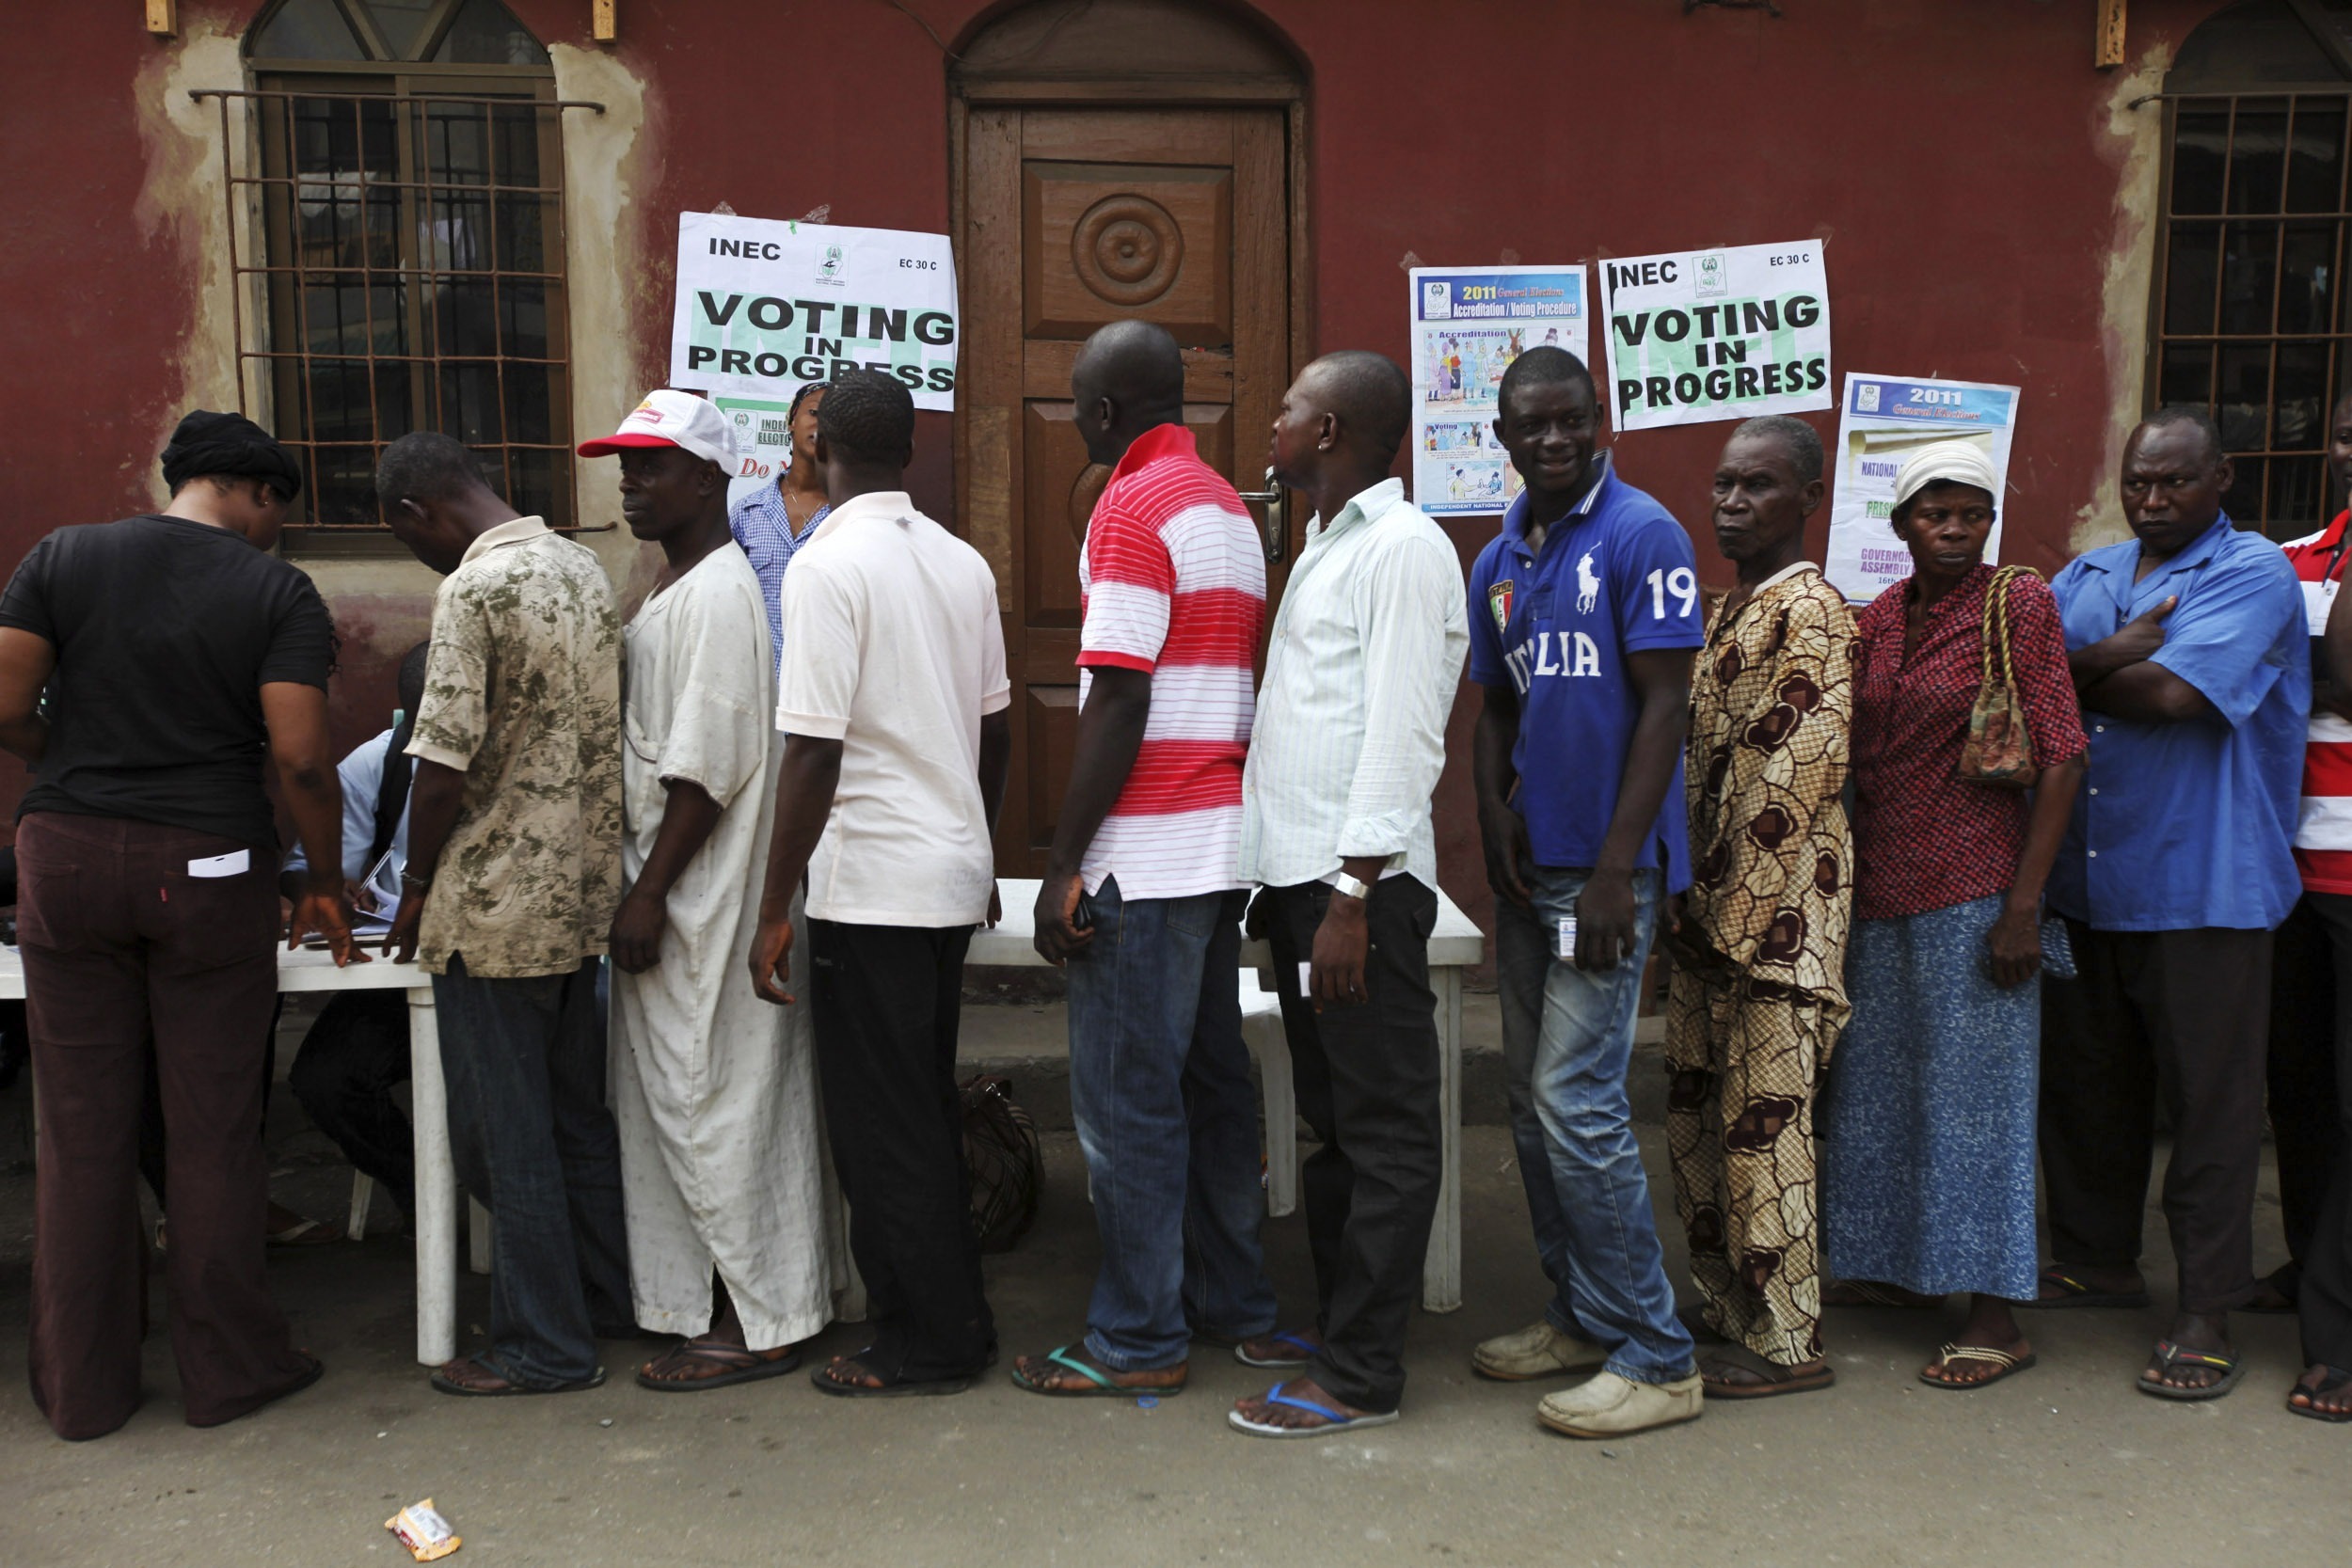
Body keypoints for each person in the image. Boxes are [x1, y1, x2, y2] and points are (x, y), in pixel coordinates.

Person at [0, 409, 356, 1440]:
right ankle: (231, 1370)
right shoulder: (273, 589)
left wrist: (73, 756)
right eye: (276, 510)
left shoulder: (60, 555)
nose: (273, 528)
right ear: (254, 493)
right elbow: (298, 756)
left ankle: (83, 1388)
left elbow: (5, 702)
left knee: (80, 1131)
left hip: (59, 857)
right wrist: (321, 878)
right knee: (211, 1130)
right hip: (206, 868)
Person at [1011, 323, 1275, 1399]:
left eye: (1079, 401)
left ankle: (1136, 1338)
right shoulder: (1225, 508)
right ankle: (1233, 1301)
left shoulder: (1127, 507)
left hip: (1145, 855)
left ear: (1110, 410)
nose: (1074, 418)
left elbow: (1117, 691)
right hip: (1217, 848)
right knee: (1212, 1086)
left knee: (1127, 1108)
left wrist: (1064, 859)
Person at [747, 368, 1010, 1398]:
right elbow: (992, 728)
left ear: (822, 448)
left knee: (882, 1123)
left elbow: (810, 751)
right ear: (906, 448)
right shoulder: (960, 561)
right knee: (918, 1106)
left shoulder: (825, 564)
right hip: (944, 873)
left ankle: (929, 1341)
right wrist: (980, 845)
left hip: (871, 888)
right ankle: (951, 1320)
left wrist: (773, 905)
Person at [2034, 408, 2306, 1400]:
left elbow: (2175, 699)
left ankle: (2203, 1308)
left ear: (2220, 478)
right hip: (2087, 878)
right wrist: (2112, 655)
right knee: (2086, 1084)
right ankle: (2097, 1257)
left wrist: (2076, 670)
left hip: (2204, 884)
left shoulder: (2252, 573)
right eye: (2138, 481)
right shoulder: (2090, 574)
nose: (2151, 500)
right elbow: (2024, 684)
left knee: (2209, 1108)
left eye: (2174, 483)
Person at [1225, 351, 1468, 1439]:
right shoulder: (1329, 542)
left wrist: (1352, 891)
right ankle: (1336, 1329)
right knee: (1334, 1124)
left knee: (1385, 1130)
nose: (1271, 425)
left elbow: (1406, 726)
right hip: (1302, 885)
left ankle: (1363, 1374)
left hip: (1353, 893)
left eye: (1287, 409)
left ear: (1328, 431)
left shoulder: (1407, 550)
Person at [1466, 346, 1706, 1439]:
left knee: (1581, 1098)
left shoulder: (1642, 534)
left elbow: (1665, 709)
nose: (1553, 441)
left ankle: (1657, 1354)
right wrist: (1491, 814)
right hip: (1533, 866)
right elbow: (1495, 710)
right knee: (1528, 1099)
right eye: (1532, 427)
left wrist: (1618, 868)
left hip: (1605, 875)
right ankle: (1583, 1313)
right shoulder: (1502, 552)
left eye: (1571, 422)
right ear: (1505, 437)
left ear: (1598, 421)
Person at [578, 391, 834, 1391]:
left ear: (712, 480)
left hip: (705, 895)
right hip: (682, 888)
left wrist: (647, 894)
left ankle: (759, 1316)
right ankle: (712, 1300)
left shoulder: (723, 592)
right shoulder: (676, 588)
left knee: (714, 1099)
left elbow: (707, 767)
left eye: (654, 467)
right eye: (626, 466)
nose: (633, 484)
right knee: (688, 1099)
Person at [1820, 441, 2087, 1390]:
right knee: (1882, 1090)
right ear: (1899, 525)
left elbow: (2060, 752)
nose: (1954, 525)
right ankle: (1900, 1272)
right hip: (1881, 886)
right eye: (1934, 510)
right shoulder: (1881, 616)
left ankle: (1994, 1313)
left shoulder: (2015, 603)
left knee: (1978, 1108)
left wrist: (2023, 906)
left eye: (1970, 510)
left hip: (1977, 889)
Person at [375, 431, 631, 1398]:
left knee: (505, 1130)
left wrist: (412, 885)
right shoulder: (581, 568)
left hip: (489, 907)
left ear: (415, 512)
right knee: (575, 1118)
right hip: (576, 897)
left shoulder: (471, 591)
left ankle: (542, 1344)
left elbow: (439, 763)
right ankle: (605, 1298)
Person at [1660, 416, 1856, 1398]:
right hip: (1708, 924)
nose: (1730, 502)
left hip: (1772, 928)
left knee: (1763, 1134)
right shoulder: (1729, 607)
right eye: (1724, 484)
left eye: (1757, 486)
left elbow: (1792, 782)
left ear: (1806, 499)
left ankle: (1789, 1343)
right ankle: (1734, 1299)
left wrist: (1731, 924)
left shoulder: (1812, 612)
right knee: (1701, 1124)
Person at [281, 639, 434, 1228]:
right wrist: (322, 886)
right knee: (326, 1081)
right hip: (400, 970)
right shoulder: (385, 759)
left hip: (501, 964)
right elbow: (303, 869)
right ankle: (425, 1192)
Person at [2293, 405, 2352, 1420]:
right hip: (2290, 868)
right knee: (2296, 1094)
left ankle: (2334, 1334)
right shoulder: (2291, 563)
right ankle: (2303, 1272)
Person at [730, 380, 830, 674]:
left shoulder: (850, 518)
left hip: (825, 694)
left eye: (834, 419)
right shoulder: (748, 513)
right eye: (814, 412)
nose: (822, 425)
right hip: (760, 688)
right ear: (791, 421)